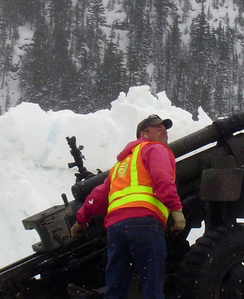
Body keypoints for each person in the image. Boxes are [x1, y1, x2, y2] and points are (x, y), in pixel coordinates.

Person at [71, 114, 185, 299]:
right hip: (144, 225)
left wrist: (81, 221)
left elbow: (97, 196)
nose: (163, 130)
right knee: (152, 288)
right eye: (157, 127)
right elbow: (162, 178)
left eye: (165, 127)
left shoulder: (121, 165)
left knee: (116, 290)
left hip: (116, 230)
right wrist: (176, 209)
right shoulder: (155, 149)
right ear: (143, 134)